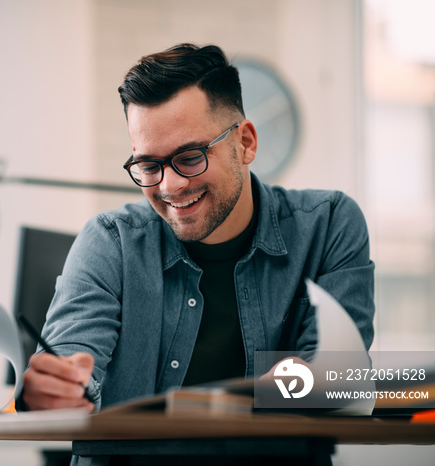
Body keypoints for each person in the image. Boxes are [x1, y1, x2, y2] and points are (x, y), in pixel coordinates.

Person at [19, 43, 375, 414]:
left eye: (190, 157)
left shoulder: (330, 223)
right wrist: (53, 390)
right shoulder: (110, 242)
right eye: (148, 166)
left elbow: (339, 378)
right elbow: (69, 361)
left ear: (246, 143)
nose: (169, 186)